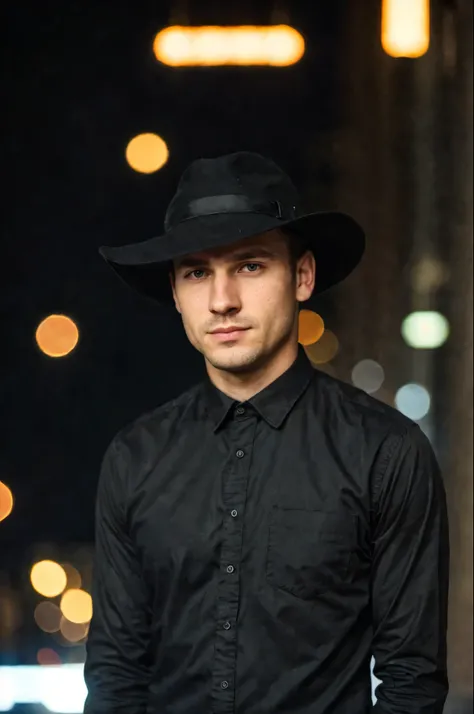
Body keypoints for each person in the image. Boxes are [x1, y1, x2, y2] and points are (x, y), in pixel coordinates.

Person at [83, 151, 450, 713]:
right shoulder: (135, 458)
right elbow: (116, 676)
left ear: (302, 277)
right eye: (197, 272)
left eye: (250, 265)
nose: (222, 300)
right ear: (177, 295)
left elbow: (411, 681)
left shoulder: (385, 452)